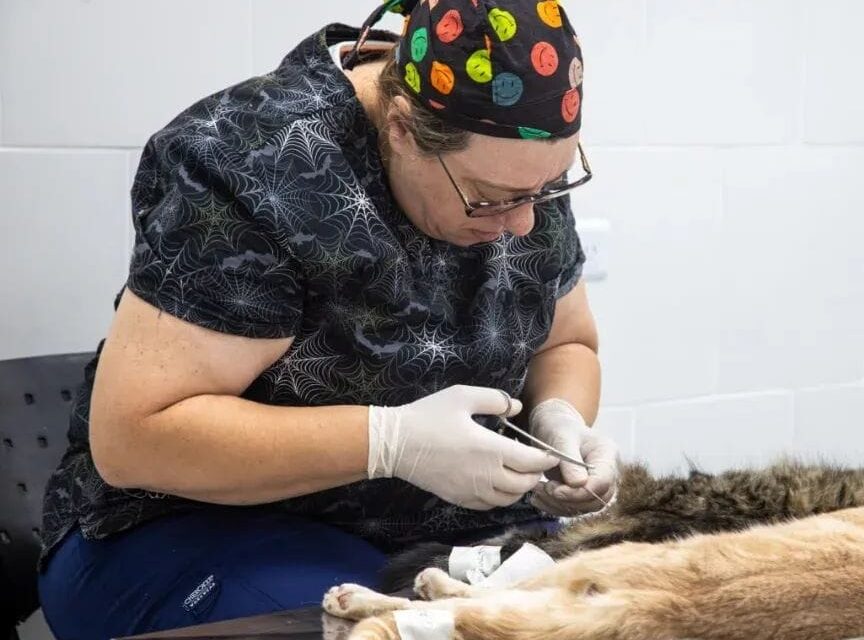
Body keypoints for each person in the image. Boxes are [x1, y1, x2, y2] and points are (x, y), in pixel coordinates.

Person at [36, 0, 616, 637]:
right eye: (491, 200)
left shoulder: (514, 167)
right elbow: (135, 438)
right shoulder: (251, 163)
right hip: (187, 529)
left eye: (551, 188)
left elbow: (567, 344)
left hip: (437, 534)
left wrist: (559, 419)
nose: (524, 223)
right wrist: (389, 443)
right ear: (400, 128)